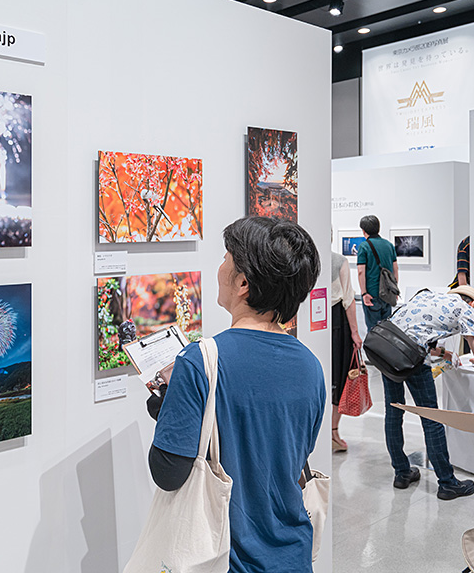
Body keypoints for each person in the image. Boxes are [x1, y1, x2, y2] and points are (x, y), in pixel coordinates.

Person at [150, 216, 325, 571]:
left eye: (225, 258)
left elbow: (168, 472)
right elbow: (280, 451)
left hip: (226, 557)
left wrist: (177, 395)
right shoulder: (311, 365)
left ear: (243, 282)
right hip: (293, 553)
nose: (219, 267)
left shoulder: (200, 360)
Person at [381, 285, 474, 499]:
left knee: (393, 412)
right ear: (473, 304)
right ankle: (447, 482)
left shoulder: (428, 297)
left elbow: (418, 332)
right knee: (431, 418)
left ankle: (401, 473)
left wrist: (444, 353)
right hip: (411, 357)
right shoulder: (466, 309)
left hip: (385, 347)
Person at [331, 250, 363, 452]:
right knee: (339, 378)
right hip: (336, 322)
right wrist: (355, 333)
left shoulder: (301, 255)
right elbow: (348, 298)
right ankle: (333, 432)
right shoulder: (339, 260)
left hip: (310, 321)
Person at [356, 215, 398, 331]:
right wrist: (394, 289)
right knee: (387, 330)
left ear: (363, 230)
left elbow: (361, 271)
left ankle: (375, 350)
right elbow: (395, 269)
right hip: (387, 294)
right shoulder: (389, 245)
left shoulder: (364, 246)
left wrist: (364, 293)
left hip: (372, 294)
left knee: (373, 331)